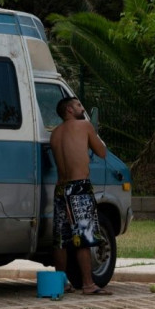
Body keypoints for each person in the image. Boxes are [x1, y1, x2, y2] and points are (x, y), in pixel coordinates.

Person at [50, 96, 112, 295]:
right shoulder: (84, 125)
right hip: (79, 188)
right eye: (78, 105)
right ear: (69, 109)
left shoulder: (55, 134)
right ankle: (88, 284)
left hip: (61, 189)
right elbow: (102, 152)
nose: (82, 108)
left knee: (61, 238)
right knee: (83, 235)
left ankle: (61, 282)